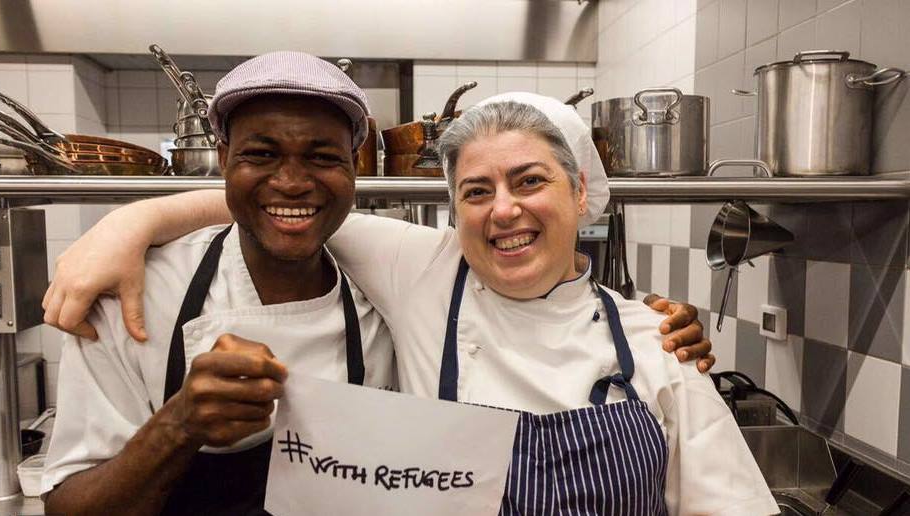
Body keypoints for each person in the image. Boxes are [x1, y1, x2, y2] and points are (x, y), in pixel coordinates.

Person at [43, 93, 772, 513]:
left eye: (530, 182)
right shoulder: (422, 268)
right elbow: (281, 199)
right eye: (476, 191)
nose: (503, 211)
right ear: (454, 212)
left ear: (581, 192)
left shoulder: (655, 341)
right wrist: (128, 224)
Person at [41, 52, 398, 515]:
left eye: (323, 157)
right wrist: (178, 426)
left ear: (354, 167)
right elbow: (67, 507)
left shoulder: (387, 293)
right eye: (262, 154)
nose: (292, 182)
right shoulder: (134, 296)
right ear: (225, 159)